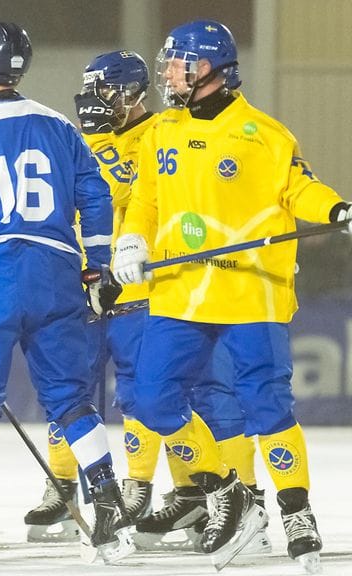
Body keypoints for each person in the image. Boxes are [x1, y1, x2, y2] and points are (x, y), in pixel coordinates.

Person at [113, 20, 346, 572]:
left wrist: (336, 208)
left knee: (267, 406)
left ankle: (295, 511)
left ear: (212, 70)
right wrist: (130, 239)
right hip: (180, 293)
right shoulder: (160, 132)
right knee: (151, 400)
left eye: (179, 64)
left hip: (249, 291)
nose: (168, 72)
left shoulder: (264, 133)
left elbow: (299, 188)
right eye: (169, 62)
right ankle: (225, 488)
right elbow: (146, 199)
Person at [26, 50, 271, 556]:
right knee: (75, 391)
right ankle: (88, 484)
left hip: (154, 289)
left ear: (135, 92)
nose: (100, 102)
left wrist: (95, 144)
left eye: (108, 92)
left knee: (186, 397)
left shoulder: (161, 132)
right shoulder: (88, 139)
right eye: (94, 92)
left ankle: (228, 494)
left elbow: (128, 192)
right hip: (95, 287)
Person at [0, 21, 134, 563]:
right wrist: (99, 265)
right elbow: (96, 195)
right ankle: (108, 502)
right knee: (70, 397)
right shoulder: (59, 125)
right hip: (55, 269)